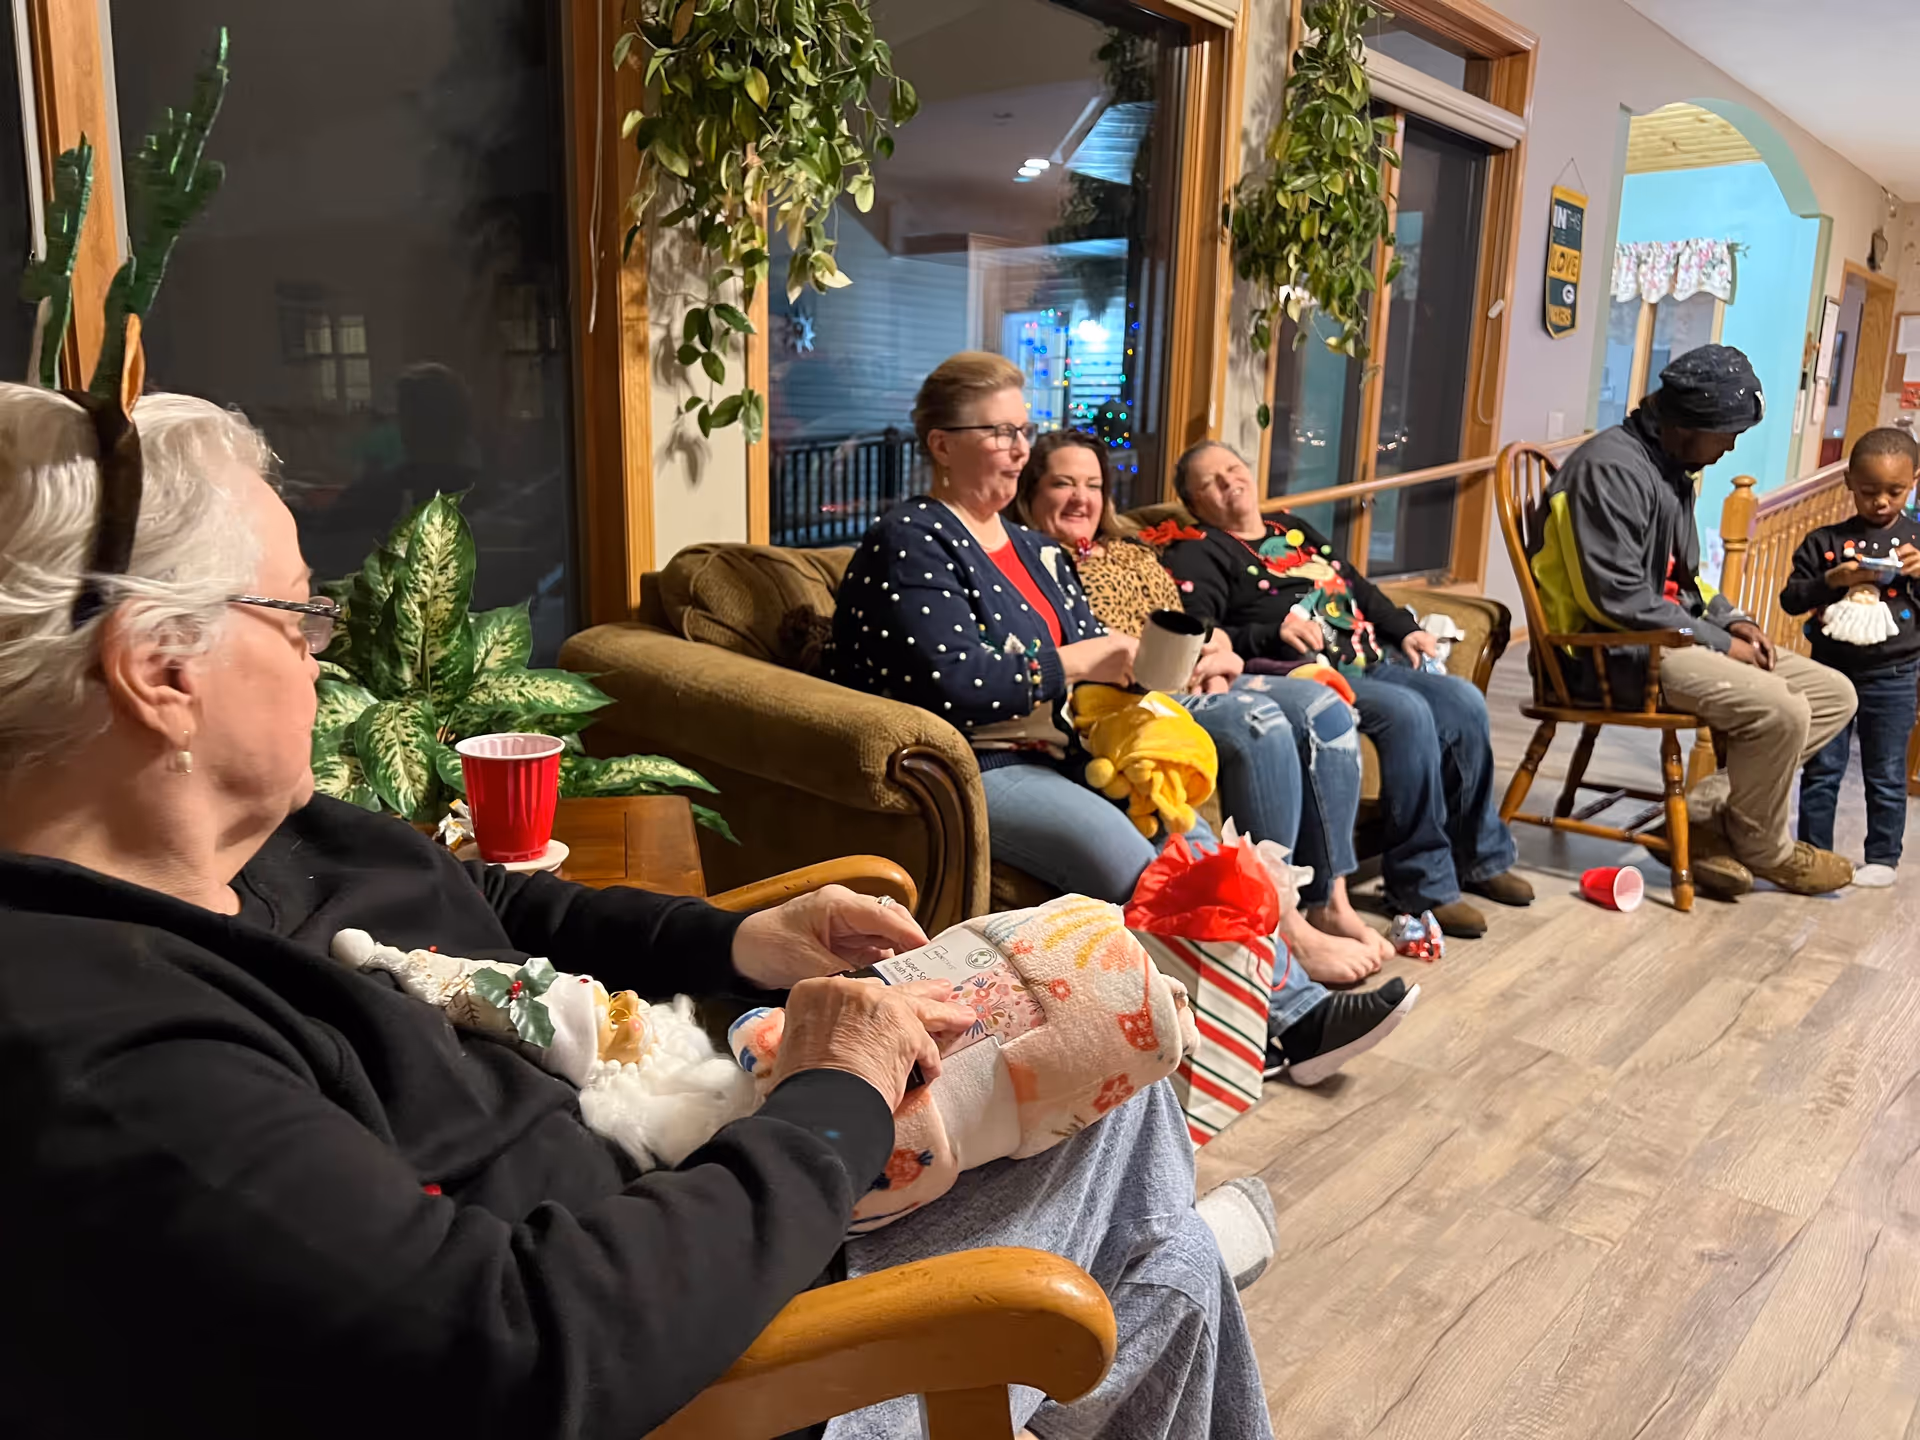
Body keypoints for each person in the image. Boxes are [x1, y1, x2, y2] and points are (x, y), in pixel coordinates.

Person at [0, 383, 1274, 1440]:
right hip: (696, 1350)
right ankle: (1118, 1313)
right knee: (1148, 1241)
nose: (325, 649)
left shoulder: (268, 836)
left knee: (1116, 1071)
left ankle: (1135, 1307)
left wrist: (733, 939)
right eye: (297, 613)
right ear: (161, 671)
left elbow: (486, 897)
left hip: (678, 1146)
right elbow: (526, 1348)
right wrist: (834, 1100)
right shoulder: (117, 1057)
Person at [1013, 429, 1418, 1079]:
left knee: (1313, 707)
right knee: (1257, 719)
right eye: (1062, 483)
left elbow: (1195, 621)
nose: (1080, 497)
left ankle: (1312, 903)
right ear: (1030, 491)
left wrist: (1222, 652)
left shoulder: (1133, 554)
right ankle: (1284, 923)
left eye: (1092, 484)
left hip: (1188, 684)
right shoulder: (1035, 565)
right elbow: (1081, 663)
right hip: (1123, 705)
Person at [827, 353, 1203, 905]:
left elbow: (1092, 655)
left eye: (1024, 430)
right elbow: (954, 682)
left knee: (1196, 841)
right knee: (1133, 866)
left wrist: (1144, 665)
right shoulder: (910, 537)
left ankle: (1291, 989)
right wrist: (1078, 662)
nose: (1021, 449)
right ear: (942, 444)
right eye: (1000, 432)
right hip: (973, 763)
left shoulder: (1040, 550)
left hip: (1068, 748)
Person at [1162, 441, 1532, 939]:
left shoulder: (1289, 529)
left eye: (1233, 468)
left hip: (1366, 660)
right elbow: (1204, 634)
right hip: (1299, 675)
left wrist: (1404, 630)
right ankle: (1422, 885)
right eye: (1211, 481)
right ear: (1193, 502)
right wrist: (1268, 634)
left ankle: (1481, 856)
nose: (1229, 481)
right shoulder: (1198, 551)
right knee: (1407, 712)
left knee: (1462, 701)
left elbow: (1355, 586)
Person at [1532, 345, 1857, 898]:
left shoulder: (1672, 468)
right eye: (1726, 433)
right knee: (1780, 709)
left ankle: (1706, 816)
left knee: (1834, 695)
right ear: (1687, 424)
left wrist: (1732, 622)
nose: (1731, 446)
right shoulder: (1611, 471)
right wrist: (1714, 642)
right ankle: (1766, 849)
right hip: (1606, 653)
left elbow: (1686, 581)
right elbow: (1617, 599)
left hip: (1665, 639)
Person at [1781, 426, 1920, 887]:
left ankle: (1882, 857)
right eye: (1869, 491)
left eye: (1895, 491)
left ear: (1914, 481)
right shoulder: (1825, 541)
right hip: (1829, 673)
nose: (1881, 502)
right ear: (1849, 483)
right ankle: (1814, 854)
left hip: (1895, 674)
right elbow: (1791, 599)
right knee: (1821, 768)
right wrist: (1831, 582)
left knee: (1885, 771)